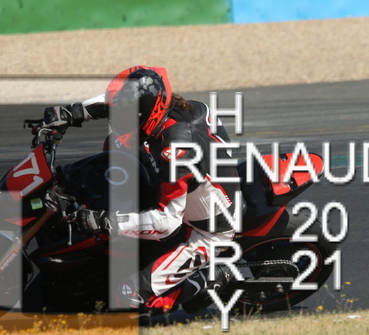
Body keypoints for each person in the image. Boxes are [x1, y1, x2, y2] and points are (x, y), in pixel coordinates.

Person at [37, 65, 240, 314]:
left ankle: (211, 277)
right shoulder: (170, 108)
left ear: (148, 110)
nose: (118, 120)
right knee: (114, 147)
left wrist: (105, 221)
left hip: (203, 231)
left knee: (128, 297)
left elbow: (167, 223)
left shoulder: (175, 150)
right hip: (190, 186)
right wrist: (73, 112)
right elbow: (120, 101)